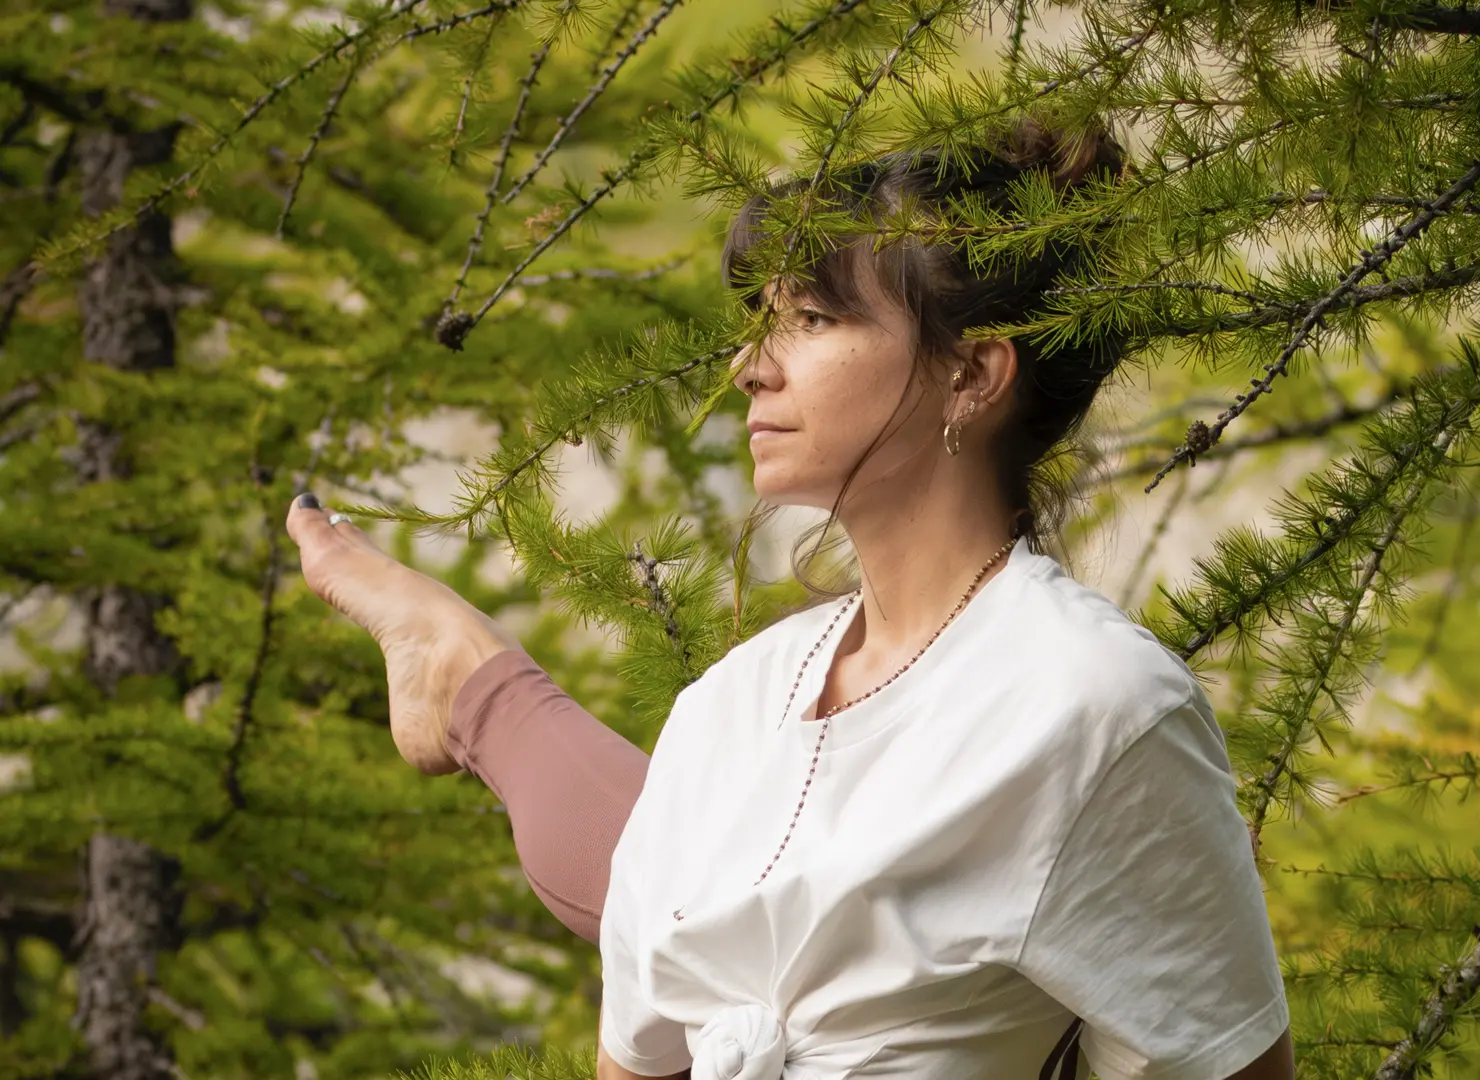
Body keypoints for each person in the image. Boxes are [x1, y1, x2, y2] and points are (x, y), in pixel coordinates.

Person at [284, 113, 1295, 1080]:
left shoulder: (1091, 707)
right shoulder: (737, 698)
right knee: (659, 869)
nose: (747, 369)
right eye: (761, 321)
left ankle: (472, 681)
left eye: (810, 319)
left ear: (973, 375)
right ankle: (468, 678)